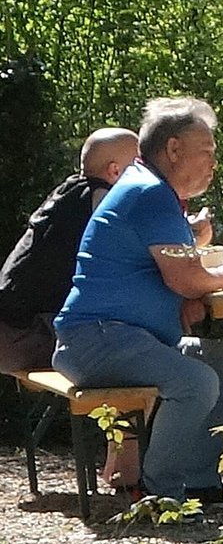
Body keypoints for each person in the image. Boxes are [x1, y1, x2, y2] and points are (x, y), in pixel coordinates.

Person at [53, 98, 223, 501]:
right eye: (207, 152)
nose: (214, 163)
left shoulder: (152, 190)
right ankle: (159, 492)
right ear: (174, 149)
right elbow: (188, 280)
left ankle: (199, 480)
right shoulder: (149, 193)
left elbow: (172, 259)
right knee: (196, 382)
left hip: (125, 338)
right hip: (98, 339)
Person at [0, 128, 140, 374]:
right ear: (115, 171)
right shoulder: (102, 199)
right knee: (139, 348)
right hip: (25, 334)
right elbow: (141, 253)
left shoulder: (70, 193)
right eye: (139, 165)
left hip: (13, 329)